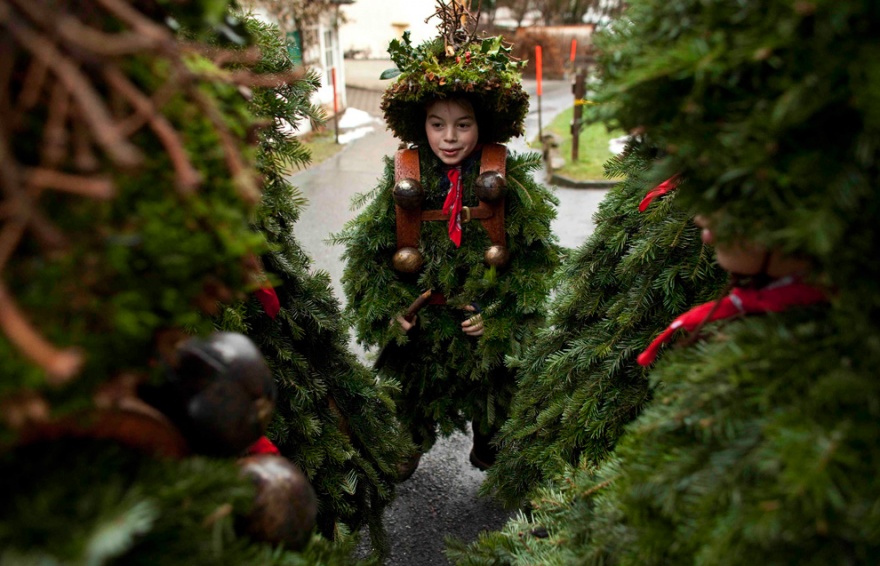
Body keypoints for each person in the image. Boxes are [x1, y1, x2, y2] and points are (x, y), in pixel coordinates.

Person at [334, 12, 560, 478]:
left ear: (484, 123)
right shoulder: (405, 178)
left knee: (496, 393)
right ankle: (406, 442)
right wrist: (388, 310)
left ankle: (492, 444)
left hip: (480, 323)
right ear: (422, 126)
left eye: (463, 125)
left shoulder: (503, 177)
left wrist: (501, 318)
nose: (450, 138)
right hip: (422, 326)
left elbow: (535, 262)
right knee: (408, 394)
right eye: (438, 125)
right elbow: (368, 259)